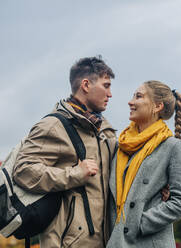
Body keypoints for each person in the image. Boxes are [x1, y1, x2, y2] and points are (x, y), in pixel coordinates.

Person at [13, 56, 117, 247]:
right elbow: (23, 171)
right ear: (86, 85)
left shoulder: (105, 130)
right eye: (106, 86)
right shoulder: (53, 126)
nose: (110, 94)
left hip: (107, 241)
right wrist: (75, 174)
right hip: (68, 243)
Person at [107, 80, 181, 248]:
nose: (130, 102)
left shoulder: (172, 147)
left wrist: (138, 223)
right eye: (133, 96)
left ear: (157, 106)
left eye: (138, 96)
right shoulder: (121, 147)